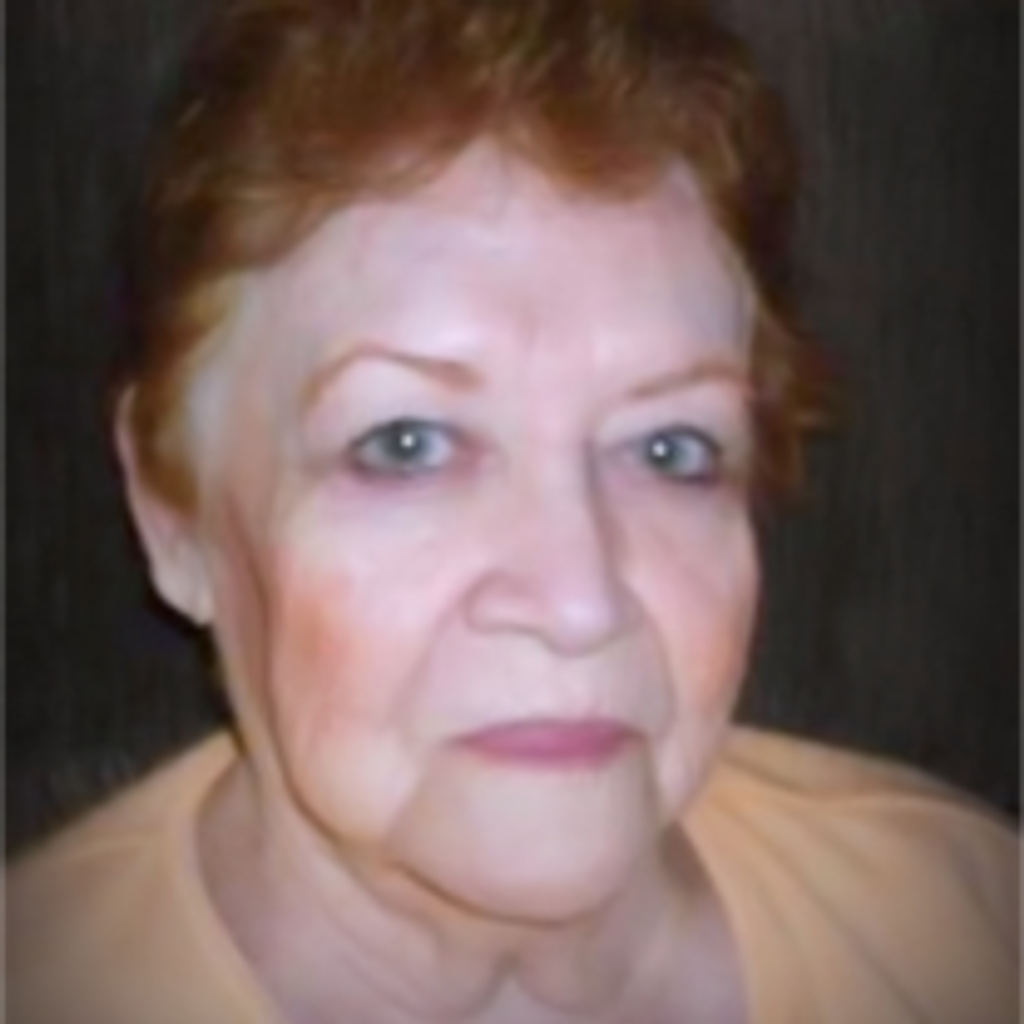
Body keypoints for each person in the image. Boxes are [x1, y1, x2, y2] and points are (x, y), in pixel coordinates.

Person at [1, 0, 1021, 1021]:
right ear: (172, 514)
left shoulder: (967, 921)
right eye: (406, 444)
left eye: (669, 448)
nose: (580, 603)